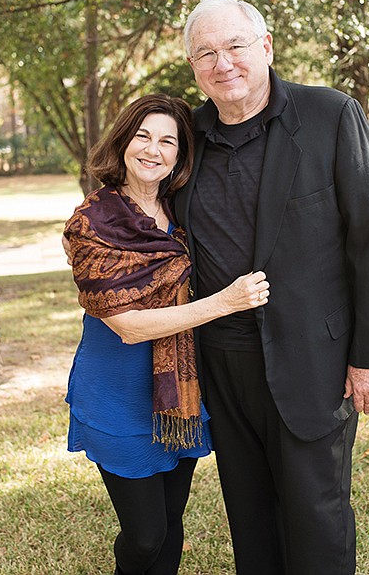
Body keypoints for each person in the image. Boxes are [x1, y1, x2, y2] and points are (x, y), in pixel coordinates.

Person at [175, 0, 369, 575]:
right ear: (194, 67)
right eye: (206, 53)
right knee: (250, 518)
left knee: (316, 516)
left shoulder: (329, 115)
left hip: (314, 359)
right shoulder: (186, 138)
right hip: (222, 363)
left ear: (266, 48)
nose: (222, 63)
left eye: (235, 47)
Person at [63, 93, 269, 575]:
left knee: (171, 522)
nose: (153, 150)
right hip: (117, 393)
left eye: (168, 141)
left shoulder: (184, 213)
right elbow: (128, 327)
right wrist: (224, 303)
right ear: (123, 142)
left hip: (180, 389)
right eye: (143, 136)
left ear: (180, 154)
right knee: (144, 535)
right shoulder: (91, 223)